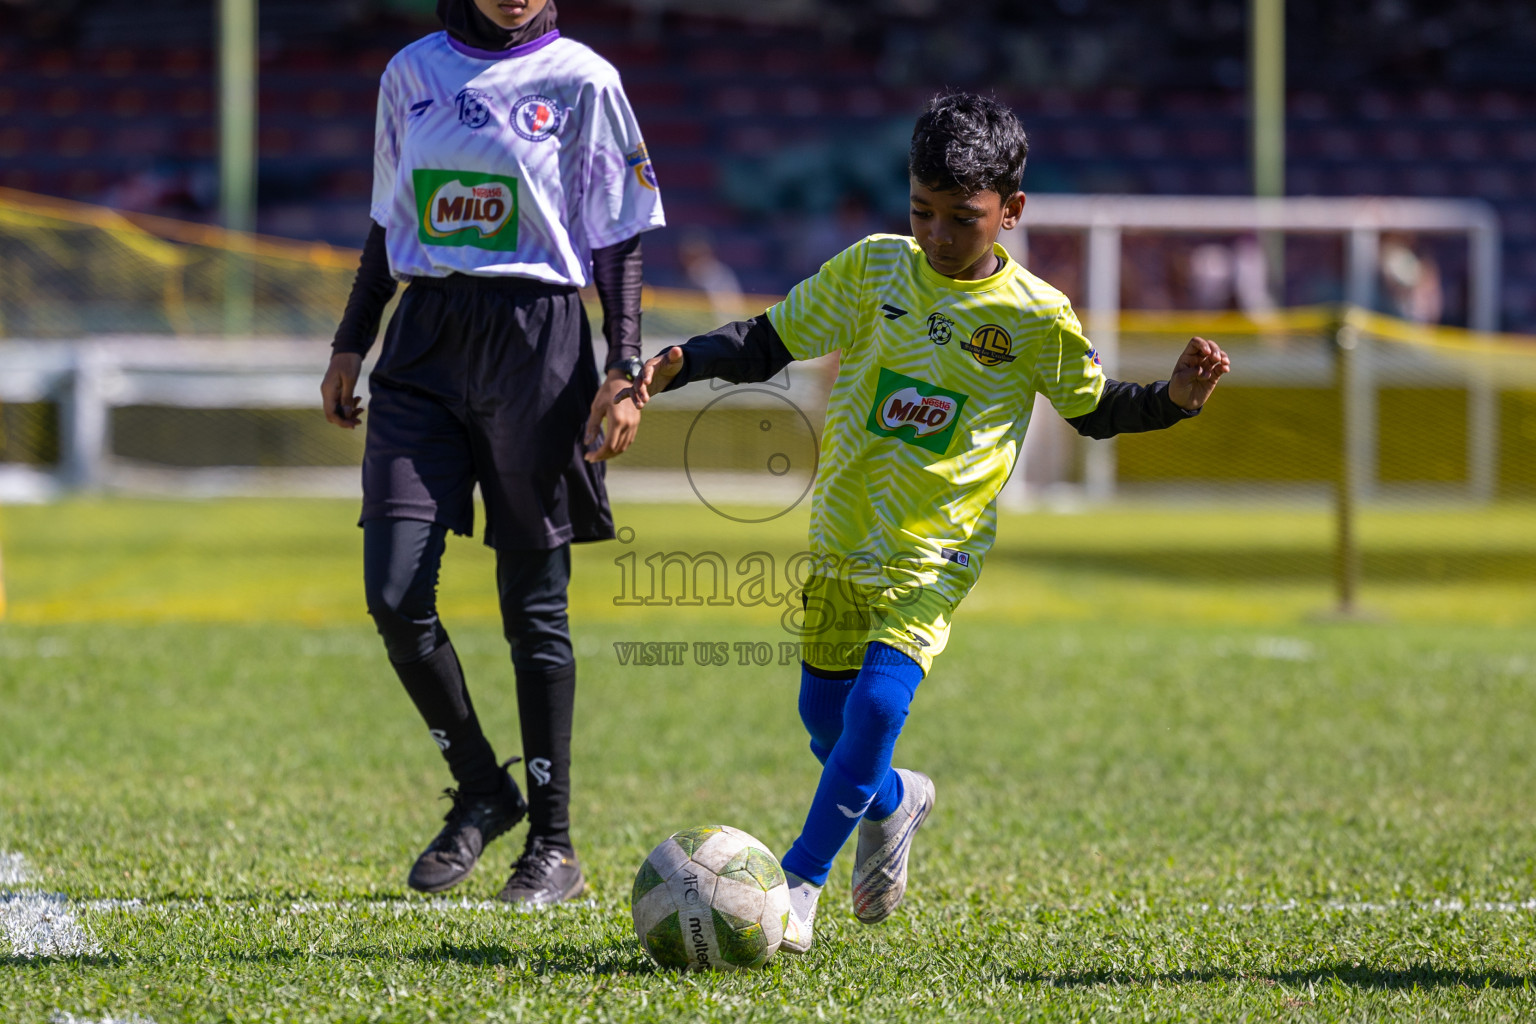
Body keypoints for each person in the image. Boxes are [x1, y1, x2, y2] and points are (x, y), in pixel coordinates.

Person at [623, 93, 1229, 951]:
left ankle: (799, 884)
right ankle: (898, 802)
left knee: (873, 711)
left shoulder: (1035, 316)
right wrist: (675, 362)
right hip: (841, 535)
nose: (938, 235)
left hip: (933, 551)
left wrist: (1174, 401)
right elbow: (769, 339)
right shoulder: (876, 269)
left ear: (1011, 213)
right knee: (826, 729)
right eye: (922, 212)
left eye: (962, 219)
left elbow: (1096, 411)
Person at [318, 0, 664, 906]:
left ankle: (554, 844)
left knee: (532, 610)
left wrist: (624, 366)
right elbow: (390, 225)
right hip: (424, 346)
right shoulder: (410, 74)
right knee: (394, 594)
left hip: (538, 348)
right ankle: (482, 786)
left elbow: (618, 238)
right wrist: (352, 340)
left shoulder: (584, 80)